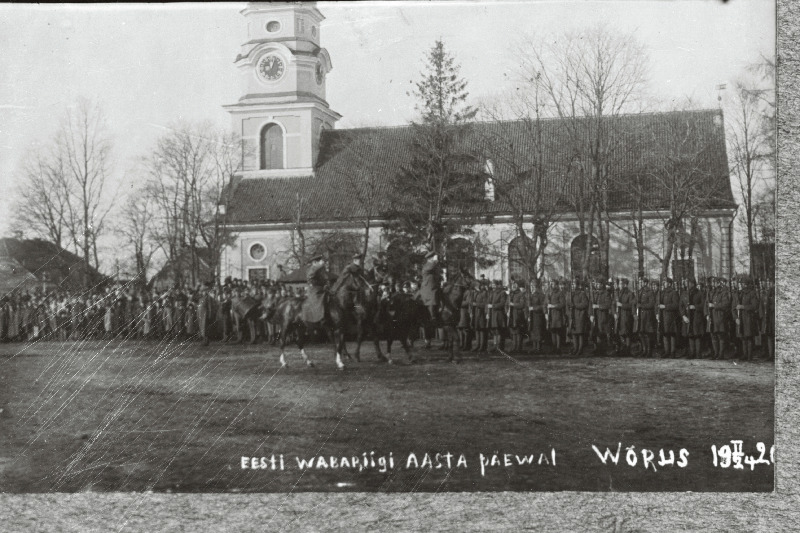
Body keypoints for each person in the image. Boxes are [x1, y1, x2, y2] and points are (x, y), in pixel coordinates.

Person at [419, 251, 441, 349]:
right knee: (432, 301)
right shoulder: (427, 266)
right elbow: (431, 268)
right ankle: (433, 317)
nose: (434, 259)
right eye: (432, 257)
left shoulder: (433, 266)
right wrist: (435, 261)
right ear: (429, 258)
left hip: (436, 288)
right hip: (428, 290)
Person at [735, 276, 760, 361]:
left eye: (742, 283)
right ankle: (745, 354)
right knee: (743, 337)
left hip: (749, 318)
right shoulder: (740, 293)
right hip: (741, 318)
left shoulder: (752, 293)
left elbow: (755, 306)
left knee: (749, 337)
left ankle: (750, 356)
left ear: (746, 284)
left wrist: (743, 306)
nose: (741, 285)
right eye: (740, 283)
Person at [680, 278, 705, 359]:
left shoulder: (699, 293)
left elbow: (703, 305)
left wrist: (695, 307)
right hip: (687, 317)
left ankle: (698, 354)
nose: (687, 285)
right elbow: (681, 306)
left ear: (693, 284)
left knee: (697, 335)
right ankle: (692, 353)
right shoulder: (684, 293)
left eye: (689, 283)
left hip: (696, 317)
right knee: (690, 335)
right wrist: (683, 316)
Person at [302, 255, 328, 323]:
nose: (320, 263)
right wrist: (321, 265)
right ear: (315, 262)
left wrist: (325, 284)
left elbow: (323, 279)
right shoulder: (312, 269)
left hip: (320, 289)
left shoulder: (318, 270)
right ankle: (319, 317)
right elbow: (311, 277)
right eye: (318, 262)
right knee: (320, 299)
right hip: (313, 289)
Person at [659, 278, 681, 357]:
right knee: (665, 333)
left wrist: (665, 306)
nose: (664, 284)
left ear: (669, 283)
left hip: (671, 316)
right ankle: (666, 351)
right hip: (663, 316)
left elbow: (676, 305)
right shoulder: (662, 293)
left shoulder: (674, 293)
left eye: (665, 282)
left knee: (672, 334)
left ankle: (672, 352)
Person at [636, 279, 657, 357]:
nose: (640, 283)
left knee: (647, 333)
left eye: (641, 282)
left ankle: (649, 351)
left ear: (645, 283)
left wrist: (641, 305)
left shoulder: (650, 292)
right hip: (641, 315)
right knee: (641, 332)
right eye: (639, 282)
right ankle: (644, 350)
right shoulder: (639, 291)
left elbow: (652, 304)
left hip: (647, 315)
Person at [547, 279, 567, 354]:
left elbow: (562, 304)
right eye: (551, 284)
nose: (552, 285)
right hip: (551, 315)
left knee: (558, 331)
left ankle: (558, 348)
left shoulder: (560, 293)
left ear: (556, 285)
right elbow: (546, 302)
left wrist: (553, 306)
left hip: (557, 314)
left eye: (553, 284)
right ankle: (554, 347)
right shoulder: (550, 293)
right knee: (552, 331)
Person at [507, 279, 527, 353]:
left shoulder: (520, 294)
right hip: (511, 315)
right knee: (513, 331)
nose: (514, 286)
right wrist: (507, 311)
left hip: (518, 315)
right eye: (513, 285)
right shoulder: (510, 294)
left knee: (518, 332)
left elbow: (522, 305)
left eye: (515, 285)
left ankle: (519, 348)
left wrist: (514, 305)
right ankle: (514, 347)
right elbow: (507, 304)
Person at [488, 279, 507, 352]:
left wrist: (493, 306)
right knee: (494, 331)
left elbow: (502, 303)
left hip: (499, 314)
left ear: (498, 285)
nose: (493, 286)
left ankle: (500, 346)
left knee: (499, 330)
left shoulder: (502, 293)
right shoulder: (492, 293)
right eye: (492, 284)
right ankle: (495, 345)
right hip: (493, 314)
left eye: (494, 284)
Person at [528, 279, 546, 353]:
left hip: (538, 315)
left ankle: (539, 348)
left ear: (536, 286)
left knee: (538, 331)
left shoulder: (540, 295)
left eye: (533, 286)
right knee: (532, 331)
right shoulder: (530, 294)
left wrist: (534, 308)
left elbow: (543, 306)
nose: (532, 287)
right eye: (531, 286)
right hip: (531, 315)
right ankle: (534, 347)